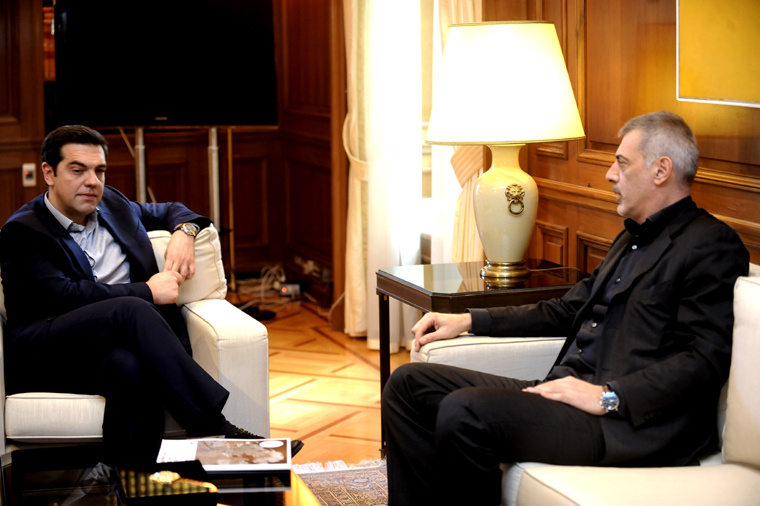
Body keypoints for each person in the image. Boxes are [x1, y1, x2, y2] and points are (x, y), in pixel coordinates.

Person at [381, 111, 749, 506]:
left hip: (625, 424)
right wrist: (469, 320)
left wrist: (608, 396)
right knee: (407, 385)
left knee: (464, 411)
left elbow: (703, 360)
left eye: (621, 163)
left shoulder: (711, 245)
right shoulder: (630, 239)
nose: (610, 174)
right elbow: (564, 309)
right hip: (566, 395)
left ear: (661, 170)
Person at [0, 125, 303, 464]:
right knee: (132, 309)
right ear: (48, 173)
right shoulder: (23, 230)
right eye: (77, 170)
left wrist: (186, 231)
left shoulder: (112, 203)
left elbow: (172, 209)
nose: (92, 181)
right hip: (46, 349)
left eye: (99, 170)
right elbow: (64, 297)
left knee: (130, 368)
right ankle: (215, 429)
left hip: (109, 348)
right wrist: (148, 291)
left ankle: (136, 477)